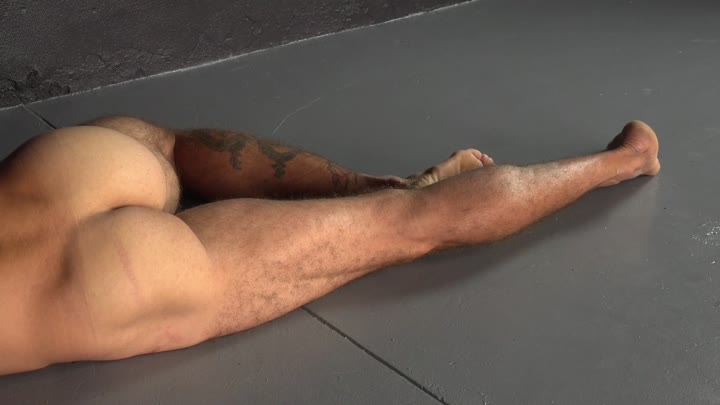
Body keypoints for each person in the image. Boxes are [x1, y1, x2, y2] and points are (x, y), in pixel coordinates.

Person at [0, 116, 660, 375]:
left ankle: (625, 162)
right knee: (159, 145)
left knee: (411, 224)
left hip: (92, 291)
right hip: (58, 173)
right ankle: (382, 184)